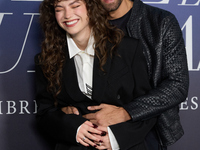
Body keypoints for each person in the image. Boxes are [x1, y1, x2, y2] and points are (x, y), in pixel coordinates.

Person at [63, 0, 189, 150]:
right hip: (94, 136)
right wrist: (63, 111)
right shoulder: (80, 20)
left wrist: (127, 113)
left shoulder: (160, 21)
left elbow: (177, 84)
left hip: (146, 130)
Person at [35, 0, 157, 149]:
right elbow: (45, 114)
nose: (68, 15)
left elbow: (147, 108)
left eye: (75, 6)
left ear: (90, 7)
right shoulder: (46, 59)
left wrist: (115, 138)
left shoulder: (128, 49)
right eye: (59, 9)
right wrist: (74, 128)